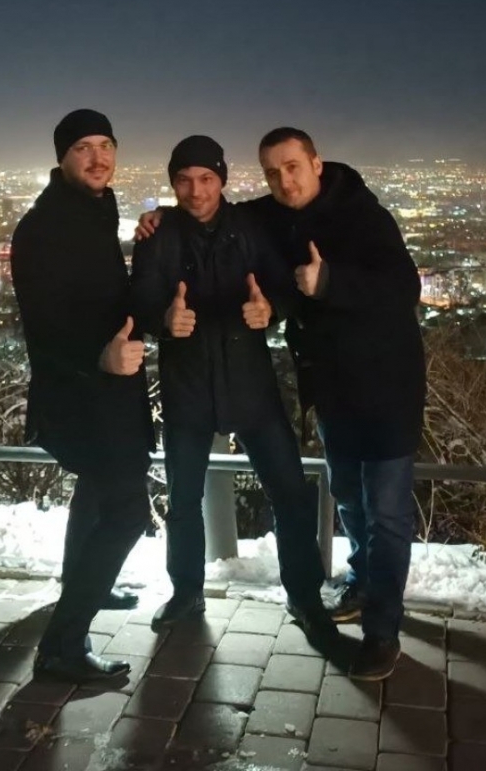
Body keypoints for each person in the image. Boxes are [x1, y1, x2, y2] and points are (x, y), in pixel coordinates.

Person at [131, 135, 337, 648]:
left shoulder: (250, 226)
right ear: (171, 183)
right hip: (188, 387)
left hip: (250, 384)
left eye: (206, 178)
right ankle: (186, 592)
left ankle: (306, 598)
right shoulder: (158, 235)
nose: (196, 191)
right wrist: (164, 319)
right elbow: (140, 300)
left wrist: (270, 309)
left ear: (222, 179)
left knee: (290, 492)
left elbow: (284, 287)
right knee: (183, 499)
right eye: (183, 180)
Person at [252, 127, 426, 681]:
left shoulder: (362, 215)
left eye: (293, 167)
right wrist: (163, 216)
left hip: (388, 388)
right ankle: (363, 583)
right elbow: (222, 215)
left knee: (388, 514)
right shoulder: (275, 215)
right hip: (334, 391)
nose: (285, 181)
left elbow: (404, 287)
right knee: (349, 497)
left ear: (317, 164)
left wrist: (328, 280)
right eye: (273, 172)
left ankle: (382, 633)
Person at [11, 108, 154, 683]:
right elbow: (43, 327)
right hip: (83, 394)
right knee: (128, 512)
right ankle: (63, 646)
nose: (98, 158)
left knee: (97, 493)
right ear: (62, 157)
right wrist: (99, 358)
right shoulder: (43, 228)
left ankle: (86, 587)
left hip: (109, 390)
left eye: (106, 145)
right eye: (83, 148)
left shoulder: (96, 209)